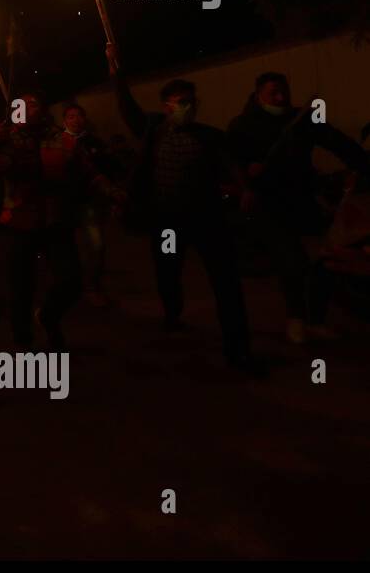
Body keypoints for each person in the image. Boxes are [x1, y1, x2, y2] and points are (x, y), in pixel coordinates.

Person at [106, 45, 262, 374]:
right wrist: (115, 71)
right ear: (167, 106)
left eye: (192, 102)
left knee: (226, 282)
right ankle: (172, 310)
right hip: (167, 220)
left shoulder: (208, 136)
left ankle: (238, 349)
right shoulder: (152, 130)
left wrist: (246, 187)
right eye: (182, 102)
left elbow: (230, 163)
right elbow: (127, 107)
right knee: (168, 270)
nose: (189, 108)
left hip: (207, 218)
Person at [226, 71, 370, 343]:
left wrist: (365, 166)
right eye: (274, 93)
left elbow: (339, 143)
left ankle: (315, 319)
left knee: (326, 259)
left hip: (303, 199)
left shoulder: (301, 120)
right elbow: (230, 160)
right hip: (268, 202)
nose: (281, 98)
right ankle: (296, 318)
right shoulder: (243, 125)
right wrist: (246, 176)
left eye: (284, 92)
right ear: (259, 95)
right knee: (290, 259)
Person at [0, 88, 113, 351]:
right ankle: (23, 339)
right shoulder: (6, 141)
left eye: (34, 103)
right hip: (18, 223)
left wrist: (109, 190)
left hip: (55, 221)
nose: (29, 107)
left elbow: (86, 170)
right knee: (20, 287)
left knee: (71, 281)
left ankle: (48, 316)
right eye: (22, 106)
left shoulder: (61, 139)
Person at [61, 102, 115, 307]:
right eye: (71, 116)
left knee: (96, 245)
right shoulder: (57, 142)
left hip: (91, 202)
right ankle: (71, 288)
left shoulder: (94, 142)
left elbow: (106, 169)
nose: (76, 120)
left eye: (79, 116)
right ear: (64, 120)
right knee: (68, 248)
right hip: (65, 202)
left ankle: (92, 287)